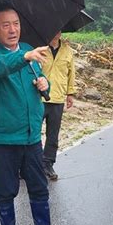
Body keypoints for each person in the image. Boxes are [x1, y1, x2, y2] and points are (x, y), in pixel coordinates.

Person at [0, 3, 57, 225]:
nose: (13, 29)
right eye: (6, 25)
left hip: (31, 136)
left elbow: (39, 80)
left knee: (39, 188)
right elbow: (1, 67)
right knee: (6, 190)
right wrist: (24, 57)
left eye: (16, 23)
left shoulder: (28, 49)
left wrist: (45, 84)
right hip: (2, 138)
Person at [40, 31, 76, 180]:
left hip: (58, 98)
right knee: (33, 132)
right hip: (39, 98)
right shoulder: (40, 49)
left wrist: (70, 93)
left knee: (53, 134)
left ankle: (48, 163)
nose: (56, 33)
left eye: (59, 29)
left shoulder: (67, 51)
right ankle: (28, 164)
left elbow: (71, 73)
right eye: (53, 29)